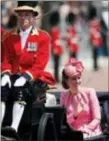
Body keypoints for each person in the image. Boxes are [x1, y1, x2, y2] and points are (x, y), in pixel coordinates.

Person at [1, 1, 53, 140]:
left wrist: (26, 77)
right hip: (12, 74)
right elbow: (5, 60)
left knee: (20, 90)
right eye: (21, 15)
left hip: (32, 76)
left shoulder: (43, 37)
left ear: (33, 17)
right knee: (2, 89)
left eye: (27, 15)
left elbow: (41, 63)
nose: (23, 18)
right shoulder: (8, 37)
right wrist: (5, 74)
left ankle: (14, 128)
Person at [60, 58, 102, 140]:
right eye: (73, 79)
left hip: (91, 133)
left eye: (79, 78)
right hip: (72, 134)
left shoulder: (90, 92)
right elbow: (63, 121)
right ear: (66, 81)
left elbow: (97, 118)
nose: (77, 81)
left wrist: (85, 130)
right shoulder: (64, 96)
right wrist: (75, 114)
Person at [49, 11, 63, 83]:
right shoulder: (53, 30)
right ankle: (56, 78)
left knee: (58, 64)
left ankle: (57, 77)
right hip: (55, 48)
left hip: (58, 48)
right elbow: (53, 40)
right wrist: (55, 49)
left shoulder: (56, 29)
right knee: (56, 64)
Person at [88, 6, 103, 71]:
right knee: (94, 52)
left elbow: (98, 30)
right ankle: (95, 65)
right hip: (94, 38)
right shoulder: (93, 22)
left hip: (95, 38)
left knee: (96, 52)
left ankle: (96, 65)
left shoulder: (93, 21)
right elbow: (92, 31)